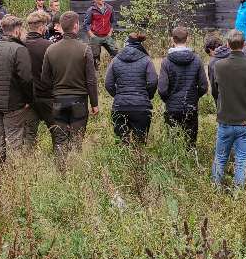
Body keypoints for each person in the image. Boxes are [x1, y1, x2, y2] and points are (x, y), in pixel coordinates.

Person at [41, 11, 100, 162]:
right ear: (76, 26)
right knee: (76, 141)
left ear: (61, 26)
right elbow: (91, 80)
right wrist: (94, 104)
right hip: (79, 101)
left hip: (58, 100)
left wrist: (52, 96)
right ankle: (74, 170)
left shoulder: (51, 49)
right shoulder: (84, 49)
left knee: (60, 140)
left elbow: (44, 79)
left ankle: (61, 173)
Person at [0, 16, 35, 163]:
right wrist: (29, 100)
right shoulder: (20, 50)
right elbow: (27, 79)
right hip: (14, 103)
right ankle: (13, 174)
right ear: (17, 31)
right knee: (14, 140)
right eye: (22, 30)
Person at [210, 30, 246, 189]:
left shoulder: (219, 65)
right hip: (245, 119)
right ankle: (239, 193)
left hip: (225, 118)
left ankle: (215, 189)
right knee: (242, 160)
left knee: (220, 157)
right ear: (244, 44)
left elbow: (215, 90)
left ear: (227, 45)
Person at [105, 32, 159, 144]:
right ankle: (138, 160)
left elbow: (108, 84)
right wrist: (146, 96)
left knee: (121, 144)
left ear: (126, 44)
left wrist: (119, 95)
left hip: (120, 106)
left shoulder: (115, 60)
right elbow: (153, 82)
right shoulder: (147, 60)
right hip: (141, 107)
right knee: (139, 144)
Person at [158, 27, 208, 146]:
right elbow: (203, 86)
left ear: (172, 40)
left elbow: (162, 89)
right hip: (191, 106)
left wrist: (168, 100)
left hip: (172, 108)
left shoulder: (166, 61)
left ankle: (175, 164)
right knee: (190, 143)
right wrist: (194, 97)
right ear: (188, 39)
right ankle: (191, 163)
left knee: (173, 143)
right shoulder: (197, 60)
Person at [23, 11, 55, 150]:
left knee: (29, 134)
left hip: (27, 98)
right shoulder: (49, 46)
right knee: (56, 130)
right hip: (47, 96)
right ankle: (61, 163)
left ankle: (27, 163)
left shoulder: (20, 45)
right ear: (42, 27)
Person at [84, 0, 119, 67]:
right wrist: (92, 35)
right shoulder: (91, 10)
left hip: (107, 36)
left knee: (116, 53)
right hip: (95, 36)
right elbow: (86, 24)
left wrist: (110, 33)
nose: (102, 0)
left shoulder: (110, 8)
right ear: (95, 0)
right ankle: (98, 72)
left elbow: (113, 22)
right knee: (95, 58)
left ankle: (114, 69)